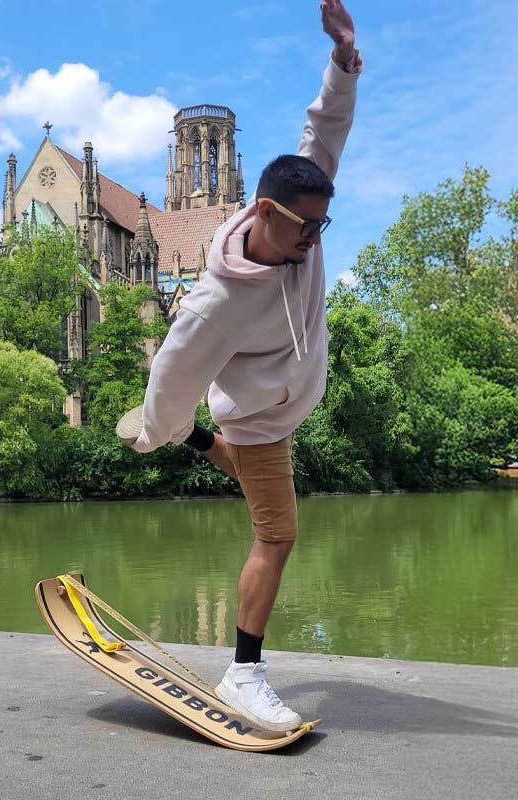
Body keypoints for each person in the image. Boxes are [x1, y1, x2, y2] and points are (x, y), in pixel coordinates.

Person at [123, 0, 361, 733]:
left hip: (288, 401)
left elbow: (325, 129)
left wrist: (343, 61)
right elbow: (169, 379)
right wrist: (154, 429)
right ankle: (243, 674)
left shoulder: (300, 207)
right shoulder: (210, 305)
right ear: (261, 211)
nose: (317, 241)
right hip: (259, 418)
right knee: (278, 533)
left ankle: (201, 441)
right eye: (305, 227)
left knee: (251, 480)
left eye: (325, 223)